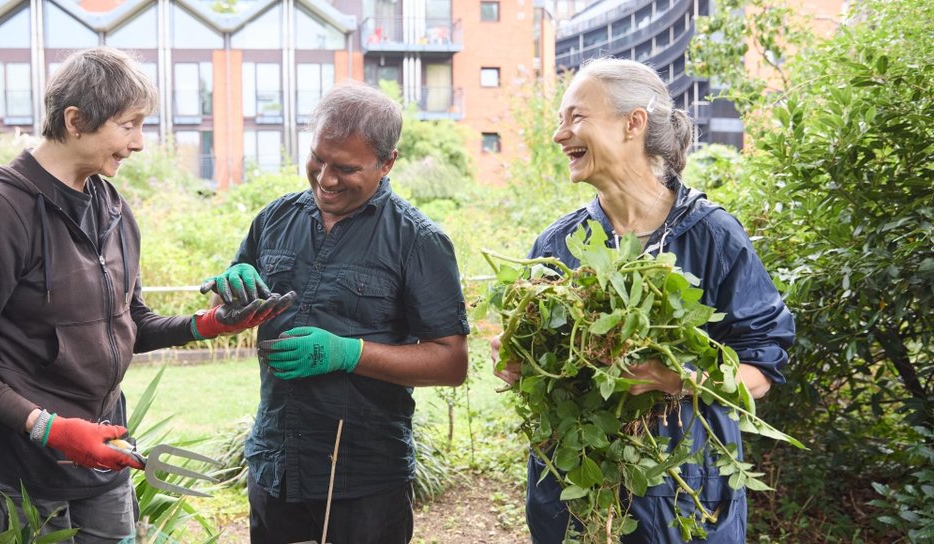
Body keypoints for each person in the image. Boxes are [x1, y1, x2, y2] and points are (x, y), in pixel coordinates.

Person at [0, 47, 290, 542]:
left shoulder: (111, 207)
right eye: (129, 125)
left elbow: (129, 323)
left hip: (102, 467)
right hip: (14, 479)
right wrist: (47, 427)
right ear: (76, 120)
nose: (139, 143)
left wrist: (208, 324)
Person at [493, 58, 795, 543]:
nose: (560, 134)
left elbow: (761, 368)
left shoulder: (712, 236)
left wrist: (678, 379)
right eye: (560, 120)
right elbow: (537, 370)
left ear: (633, 123)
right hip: (575, 497)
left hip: (683, 498)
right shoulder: (558, 245)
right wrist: (519, 357)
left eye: (576, 117)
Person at [222, 82, 470, 544]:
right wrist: (227, 297)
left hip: (365, 482)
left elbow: (452, 361)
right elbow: (229, 308)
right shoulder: (274, 219)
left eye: (346, 168)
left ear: (387, 162)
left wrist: (348, 353)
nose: (325, 179)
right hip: (276, 465)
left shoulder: (418, 240)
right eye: (318, 158)